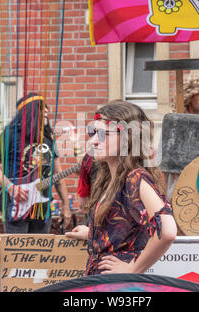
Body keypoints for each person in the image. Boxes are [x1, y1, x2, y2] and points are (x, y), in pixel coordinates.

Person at [66, 100, 177, 275]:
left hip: (117, 287)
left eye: (103, 134)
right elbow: (126, 231)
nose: (94, 141)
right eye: (93, 133)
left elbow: (167, 230)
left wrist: (133, 269)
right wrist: (92, 233)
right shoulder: (111, 179)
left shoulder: (135, 177)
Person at [0, 93, 72, 233]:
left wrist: (66, 205)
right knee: (17, 253)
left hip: (42, 205)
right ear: (31, 111)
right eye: (41, 108)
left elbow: (58, 175)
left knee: (40, 252)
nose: (46, 111)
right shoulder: (11, 135)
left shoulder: (49, 138)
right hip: (17, 205)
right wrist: (10, 188)